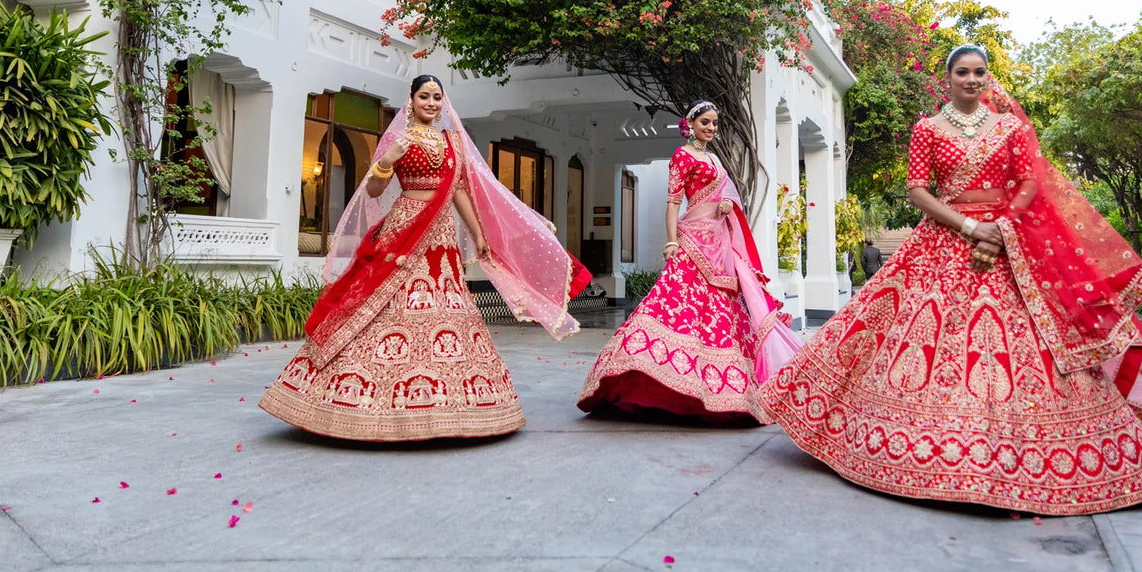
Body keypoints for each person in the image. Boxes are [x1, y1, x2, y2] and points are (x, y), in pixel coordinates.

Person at [759, 46, 1142, 514]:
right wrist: (971, 228)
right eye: (962, 72)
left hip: (1010, 247)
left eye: (979, 72)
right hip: (943, 242)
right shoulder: (927, 129)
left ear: (988, 77)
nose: (972, 79)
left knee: (1036, 346)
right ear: (947, 78)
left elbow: (1029, 183)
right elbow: (918, 192)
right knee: (910, 335)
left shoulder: (1009, 128)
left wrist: (1001, 231)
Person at [260, 74, 589, 441]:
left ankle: (455, 404)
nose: (431, 103)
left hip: (441, 235)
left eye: (436, 97)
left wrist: (478, 233)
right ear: (411, 100)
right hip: (405, 228)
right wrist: (386, 161)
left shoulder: (452, 142)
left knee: (447, 303)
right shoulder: (398, 139)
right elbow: (374, 190)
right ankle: (359, 400)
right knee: (387, 302)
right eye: (424, 97)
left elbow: (459, 190)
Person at [578, 100, 802, 422]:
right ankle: (654, 375)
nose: (711, 128)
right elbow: (673, 202)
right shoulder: (682, 156)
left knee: (722, 311)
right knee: (675, 305)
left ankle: (725, 390)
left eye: (714, 123)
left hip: (719, 245)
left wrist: (727, 203)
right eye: (705, 122)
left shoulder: (714, 158)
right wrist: (671, 241)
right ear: (690, 124)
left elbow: (727, 194)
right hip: (692, 241)